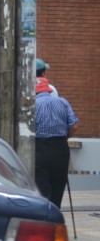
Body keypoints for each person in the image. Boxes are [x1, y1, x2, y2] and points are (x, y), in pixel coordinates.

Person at [35, 77, 78, 208]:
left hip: (40, 148)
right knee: (58, 187)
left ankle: (44, 218)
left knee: (42, 188)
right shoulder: (63, 102)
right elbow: (74, 126)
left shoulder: (32, 105)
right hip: (60, 148)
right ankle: (55, 214)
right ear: (48, 89)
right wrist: (65, 137)